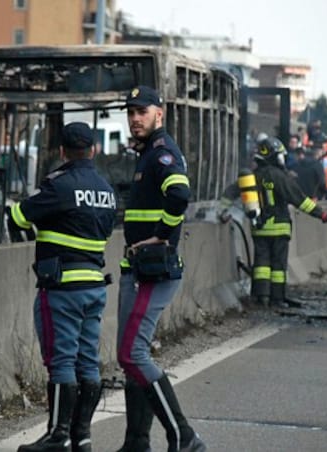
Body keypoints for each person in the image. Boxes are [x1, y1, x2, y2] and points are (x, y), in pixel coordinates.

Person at [10, 122, 116, 452]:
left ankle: (58, 436)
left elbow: (18, 217)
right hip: (95, 287)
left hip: (61, 289)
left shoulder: (58, 186)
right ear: (94, 150)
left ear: (61, 152)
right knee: (87, 362)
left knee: (62, 363)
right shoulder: (106, 189)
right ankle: (81, 435)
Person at [115, 85, 206, 452]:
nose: (135, 118)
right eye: (131, 111)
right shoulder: (147, 153)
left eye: (142, 111)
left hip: (152, 271)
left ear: (159, 113)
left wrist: (162, 235)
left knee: (132, 355)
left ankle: (183, 436)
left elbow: (180, 194)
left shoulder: (162, 152)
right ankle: (137, 442)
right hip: (138, 269)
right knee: (130, 356)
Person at [221, 136, 327, 307]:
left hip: (259, 228)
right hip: (279, 228)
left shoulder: (252, 176)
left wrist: (220, 211)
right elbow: (299, 199)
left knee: (261, 264)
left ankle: (260, 296)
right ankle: (277, 298)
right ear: (274, 156)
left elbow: (231, 192)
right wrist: (320, 213)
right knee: (278, 266)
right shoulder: (280, 176)